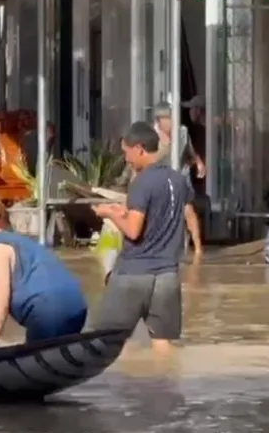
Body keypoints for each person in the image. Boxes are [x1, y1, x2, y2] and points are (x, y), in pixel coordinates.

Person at [86, 122, 201, 354]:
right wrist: (198, 248)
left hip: (134, 273)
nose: (126, 158)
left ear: (139, 148)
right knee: (162, 343)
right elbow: (175, 216)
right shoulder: (177, 180)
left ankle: (127, 388)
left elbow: (133, 231)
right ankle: (165, 385)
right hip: (167, 275)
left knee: (114, 342)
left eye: (126, 151)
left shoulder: (142, 182)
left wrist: (109, 213)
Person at [0, 191, 89, 350]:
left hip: (50, 315)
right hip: (76, 308)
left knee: (35, 366)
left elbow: (0, 309)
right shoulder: (10, 238)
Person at [152, 102, 205, 252]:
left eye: (172, 118)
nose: (170, 122)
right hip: (161, 177)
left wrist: (199, 163)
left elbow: (191, 153)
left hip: (181, 174)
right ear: (158, 121)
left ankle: (198, 247)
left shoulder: (182, 131)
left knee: (188, 209)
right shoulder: (152, 136)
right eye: (166, 118)